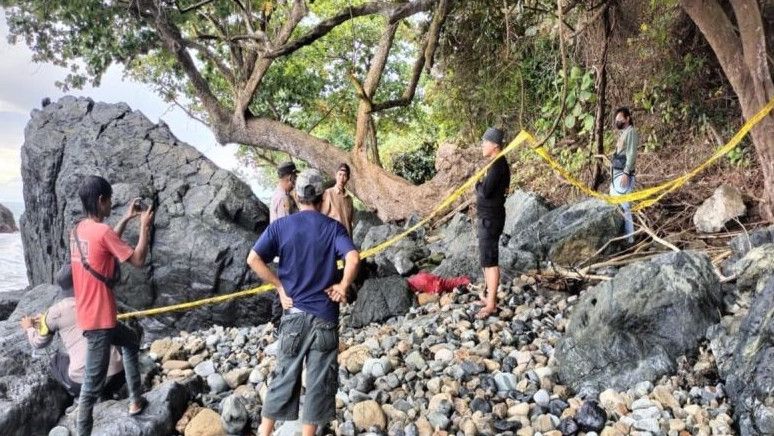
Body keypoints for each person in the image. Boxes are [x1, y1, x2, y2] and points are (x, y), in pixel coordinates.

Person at [247, 169, 360, 436]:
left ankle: (265, 432)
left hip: (294, 314)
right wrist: (342, 286)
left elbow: (253, 259)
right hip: (325, 317)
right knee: (320, 384)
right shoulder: (333, 228)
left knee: (283, 377)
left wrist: (280, 287)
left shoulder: (281, 227)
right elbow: (353, 257)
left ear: (296, 198)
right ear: (322, 199)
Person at [70, 175, 154, 435]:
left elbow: (104, 246)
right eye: (110, 201)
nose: (111, 205)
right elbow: (138, 260)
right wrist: (144, 227)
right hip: (100, 322)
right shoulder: (102, 232)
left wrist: (127, 218)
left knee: (129, 341)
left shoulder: (77, 230)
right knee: (91, 388)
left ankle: (135, 399)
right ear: (100, 200)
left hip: (88, 313)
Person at [20, 265, 125, 401]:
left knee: (56, 361)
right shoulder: (99, 299)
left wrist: (29, 328)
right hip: (118, 375)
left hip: (84, 384)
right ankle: (107, 393)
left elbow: (38, 343)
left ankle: (83, 398)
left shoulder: (55, 312)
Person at [474, 127, 510, 319]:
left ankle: (491, 304)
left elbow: (485, 191)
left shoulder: (498, 165)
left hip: (491, 219)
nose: (482, 145)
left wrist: (477, 184)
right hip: (488, 217)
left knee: (491, 261)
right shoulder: (496, 163)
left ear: (495, 145)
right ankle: (488, 297)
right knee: (485, 260)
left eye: (485, 141)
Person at [609, 107, 639, 243]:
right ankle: (622, 237)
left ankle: (629, 239)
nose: (618, 121)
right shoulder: (624, 133)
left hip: (623, 175)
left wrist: (626, 172)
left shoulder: (631, 132)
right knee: (617, 205)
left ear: (627, 118)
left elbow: (631, 154)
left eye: (620, 119)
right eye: (616, 119)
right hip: (617, 174)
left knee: (625, 207)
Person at [321, 163, 354, 235]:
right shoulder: (328, 193)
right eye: (340, 174)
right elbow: (322, 218)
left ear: (348, 178)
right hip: (334, 237)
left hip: (347, 238)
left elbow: (350, 222)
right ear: (336, 175)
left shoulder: (349, 199)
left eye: (345, 175)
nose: (342, 178)